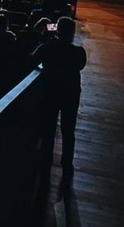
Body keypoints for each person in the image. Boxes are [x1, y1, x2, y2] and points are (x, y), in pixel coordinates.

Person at [30, 17, 86, 187]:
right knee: (69, 131)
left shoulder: (47, 47)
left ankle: (46, 160)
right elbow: (80, 66)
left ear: (57, 30)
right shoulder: (78, 52)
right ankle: (66, 164)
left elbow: (32, 59)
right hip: (70, 94)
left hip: (50, 92)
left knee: (48, 128)